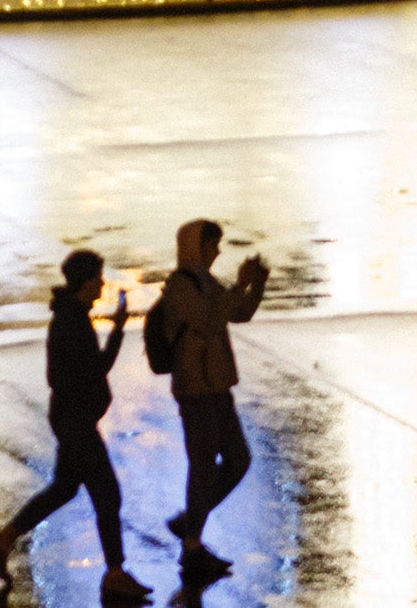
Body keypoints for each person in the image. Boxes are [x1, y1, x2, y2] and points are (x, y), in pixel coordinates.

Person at [0, 250, 148, 602]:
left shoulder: (71, 316)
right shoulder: (72, 321)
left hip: (72, 417)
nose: (102, 283)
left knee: (64, 488)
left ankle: (2, 540)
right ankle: (115, 574)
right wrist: (115, 332)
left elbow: (82, 369)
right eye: (98, 277)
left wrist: (115, 329)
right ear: (87, 282)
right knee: (107, 494)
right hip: (76, 421)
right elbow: (87, 369)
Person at [153, 218, 270, 570]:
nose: (217, 251)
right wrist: (240, 285)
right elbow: (208, 321)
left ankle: (190, 522)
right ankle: (192, 544)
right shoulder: (181, 287)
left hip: (218, 386)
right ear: (195, 247)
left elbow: (240, 314)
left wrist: (256, 286)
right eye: (212, 244)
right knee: (203, 466)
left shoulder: (207, 282)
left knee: (238, 460)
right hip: (196, 389)